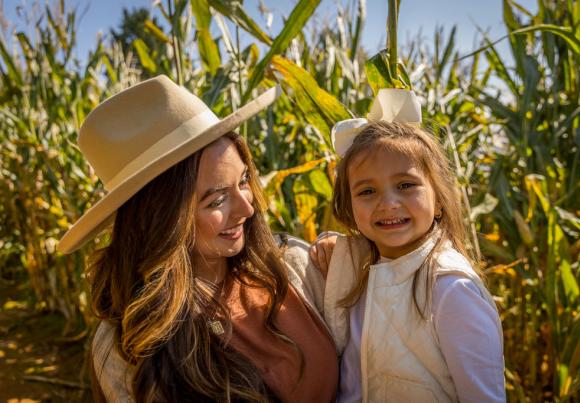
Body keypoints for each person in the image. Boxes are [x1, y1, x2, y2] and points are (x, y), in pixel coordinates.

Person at [57, 75, 338, 402]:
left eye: (244, 181)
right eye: (216, 200)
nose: (248, 208)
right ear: (160, 219)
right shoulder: (127, 346)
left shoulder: (295, 266)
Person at [310, 89, 505, 402]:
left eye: (405, 185)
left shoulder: (451, 289)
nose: (388, 203)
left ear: (439, 200)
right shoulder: (357, 268)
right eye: (367, 191)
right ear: (349, 207)